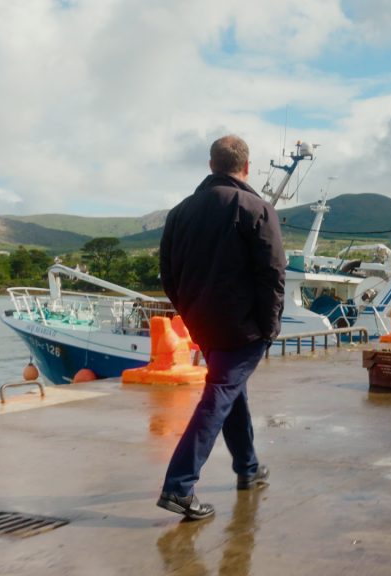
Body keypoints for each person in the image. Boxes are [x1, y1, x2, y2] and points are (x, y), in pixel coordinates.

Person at [156, 135, 286, 520]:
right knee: (219, 397)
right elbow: (273, 274)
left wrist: (190, 312)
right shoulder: (256, 208)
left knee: (230, 394)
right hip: (244, 329)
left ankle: (248, 469)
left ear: (211, 165)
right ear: (246, 168)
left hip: (203, 323)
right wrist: (269, 327)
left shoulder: (179, 213)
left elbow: (168, 273)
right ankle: (179, 487)